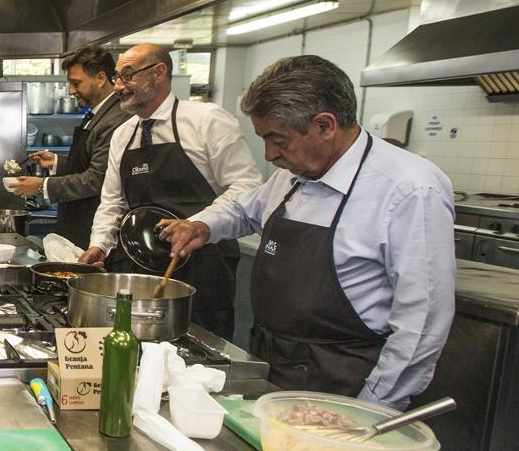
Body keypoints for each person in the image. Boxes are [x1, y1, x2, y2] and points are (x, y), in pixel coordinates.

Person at [159, 55, 456, 409]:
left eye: (278, 140)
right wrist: (203, 225)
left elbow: (421, 324)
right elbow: (245, 208)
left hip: (343, 384)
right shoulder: (294, 175)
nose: (269, 154)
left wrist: (371, 410)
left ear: (325, 125)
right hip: (273, 363)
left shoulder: (409, 189)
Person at [80, 43, 262, 340]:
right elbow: (113, 201)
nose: (118, 87)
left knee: (200, 349)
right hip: (142, 267)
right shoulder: (124, 135)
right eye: (117, 77)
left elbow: (247, 186)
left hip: (204, 267)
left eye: (127, 76)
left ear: (159, 73)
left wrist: (198, 224)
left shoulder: (207, 120)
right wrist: (99, 244)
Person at [10, 45, 132, 247]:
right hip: (80, 220)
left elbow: (97, 179)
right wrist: (58, 163)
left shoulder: (116, 119)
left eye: (76, 83)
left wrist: (41, 186)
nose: (71, 90)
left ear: (101, 78)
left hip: (95, 228)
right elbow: (90, 162)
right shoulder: (97, 114)